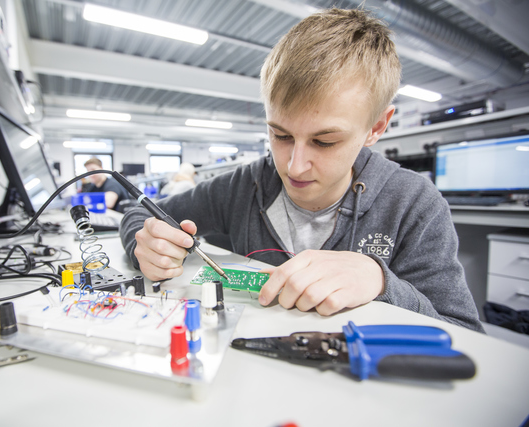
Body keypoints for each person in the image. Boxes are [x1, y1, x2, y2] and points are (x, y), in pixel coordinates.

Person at [119, 8, 483, 332]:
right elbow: (140, 211)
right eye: (280, 134)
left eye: (324, 142)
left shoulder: (413, 204)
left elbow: (465, 335)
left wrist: (381, 281)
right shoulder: (244, 185)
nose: (294, 165)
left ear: (376, 127)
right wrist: (143, 244)